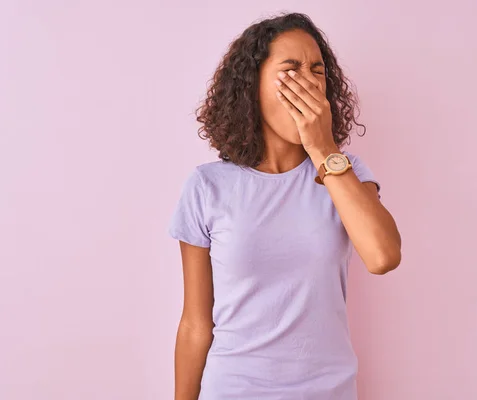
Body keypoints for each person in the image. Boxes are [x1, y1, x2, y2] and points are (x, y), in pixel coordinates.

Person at [167, 12, 402, 400]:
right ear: (252, 86)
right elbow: (195, 323)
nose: (307, 82)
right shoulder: (208, 186)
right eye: (290, 70)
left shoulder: (346, 174)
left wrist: (324, 150)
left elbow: (382, 256)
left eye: (317, 71)